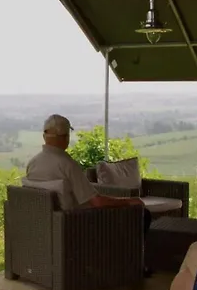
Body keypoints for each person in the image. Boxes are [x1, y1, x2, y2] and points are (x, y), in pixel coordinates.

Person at [23, 114, 153, 269]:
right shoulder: (67, 165)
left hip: (45, 225)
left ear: (44, 136)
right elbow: (97, 202)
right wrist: (129, 201)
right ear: (65, 138)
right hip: (80, 225)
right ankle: (130, 265)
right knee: (142, 214)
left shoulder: (33, 163)